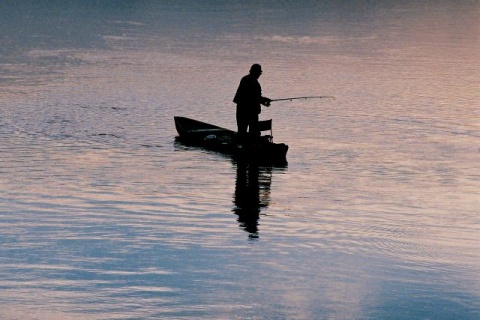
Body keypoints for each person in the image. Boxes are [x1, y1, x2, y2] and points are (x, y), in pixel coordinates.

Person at [233, 64, 271, 140]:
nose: (260, 74)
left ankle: (243, 143)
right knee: (252, 133)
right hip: (250, 111)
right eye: (259, 73)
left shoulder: (244, 79)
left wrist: (263, 100)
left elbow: (253, 96)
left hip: (241, 109)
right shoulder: (254, 83)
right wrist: (264, 101)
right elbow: (253, 97)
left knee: (242, 131)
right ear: (255, 72)